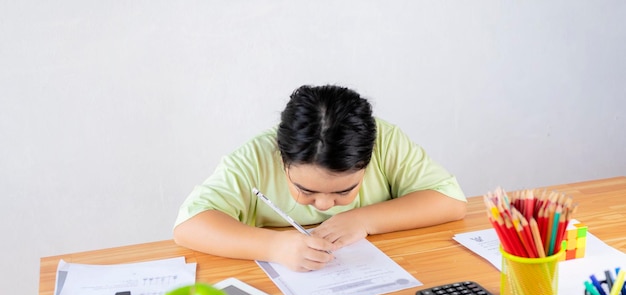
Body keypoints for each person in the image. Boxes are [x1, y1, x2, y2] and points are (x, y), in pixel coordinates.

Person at [174, 85, 467, 272]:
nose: (325, 205)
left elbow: (450, 200)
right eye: (306, 190)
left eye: (344, 191)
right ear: (281, 157)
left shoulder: (386, 141)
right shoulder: (255, 156)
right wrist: (274, 247)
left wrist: (364, 220)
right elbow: (189, 226)